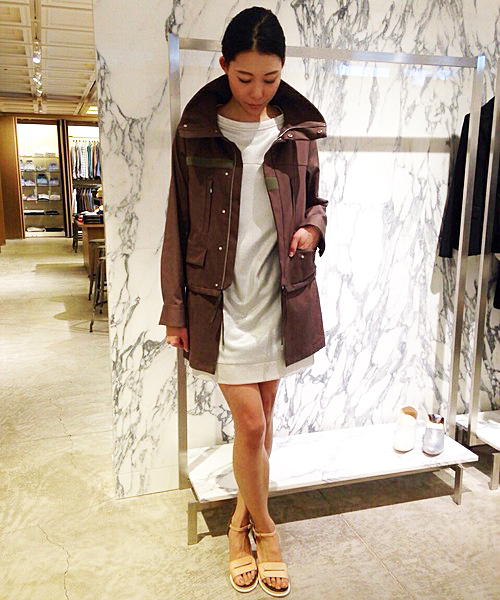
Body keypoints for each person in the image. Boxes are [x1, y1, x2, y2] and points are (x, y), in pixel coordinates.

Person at [160, 6, 327, 597]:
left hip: (280, 298)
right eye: (245, 78)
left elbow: (317, 201)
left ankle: (238, 526)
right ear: (223, 65)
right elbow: (178, 222)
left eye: (271, 79)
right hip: (219, 305)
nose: (258, 92)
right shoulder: (198, 131)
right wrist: (175, 310)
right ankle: (266, 531)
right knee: (251, 423)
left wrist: (312, 229)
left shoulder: (296, 132)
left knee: (261, 424)